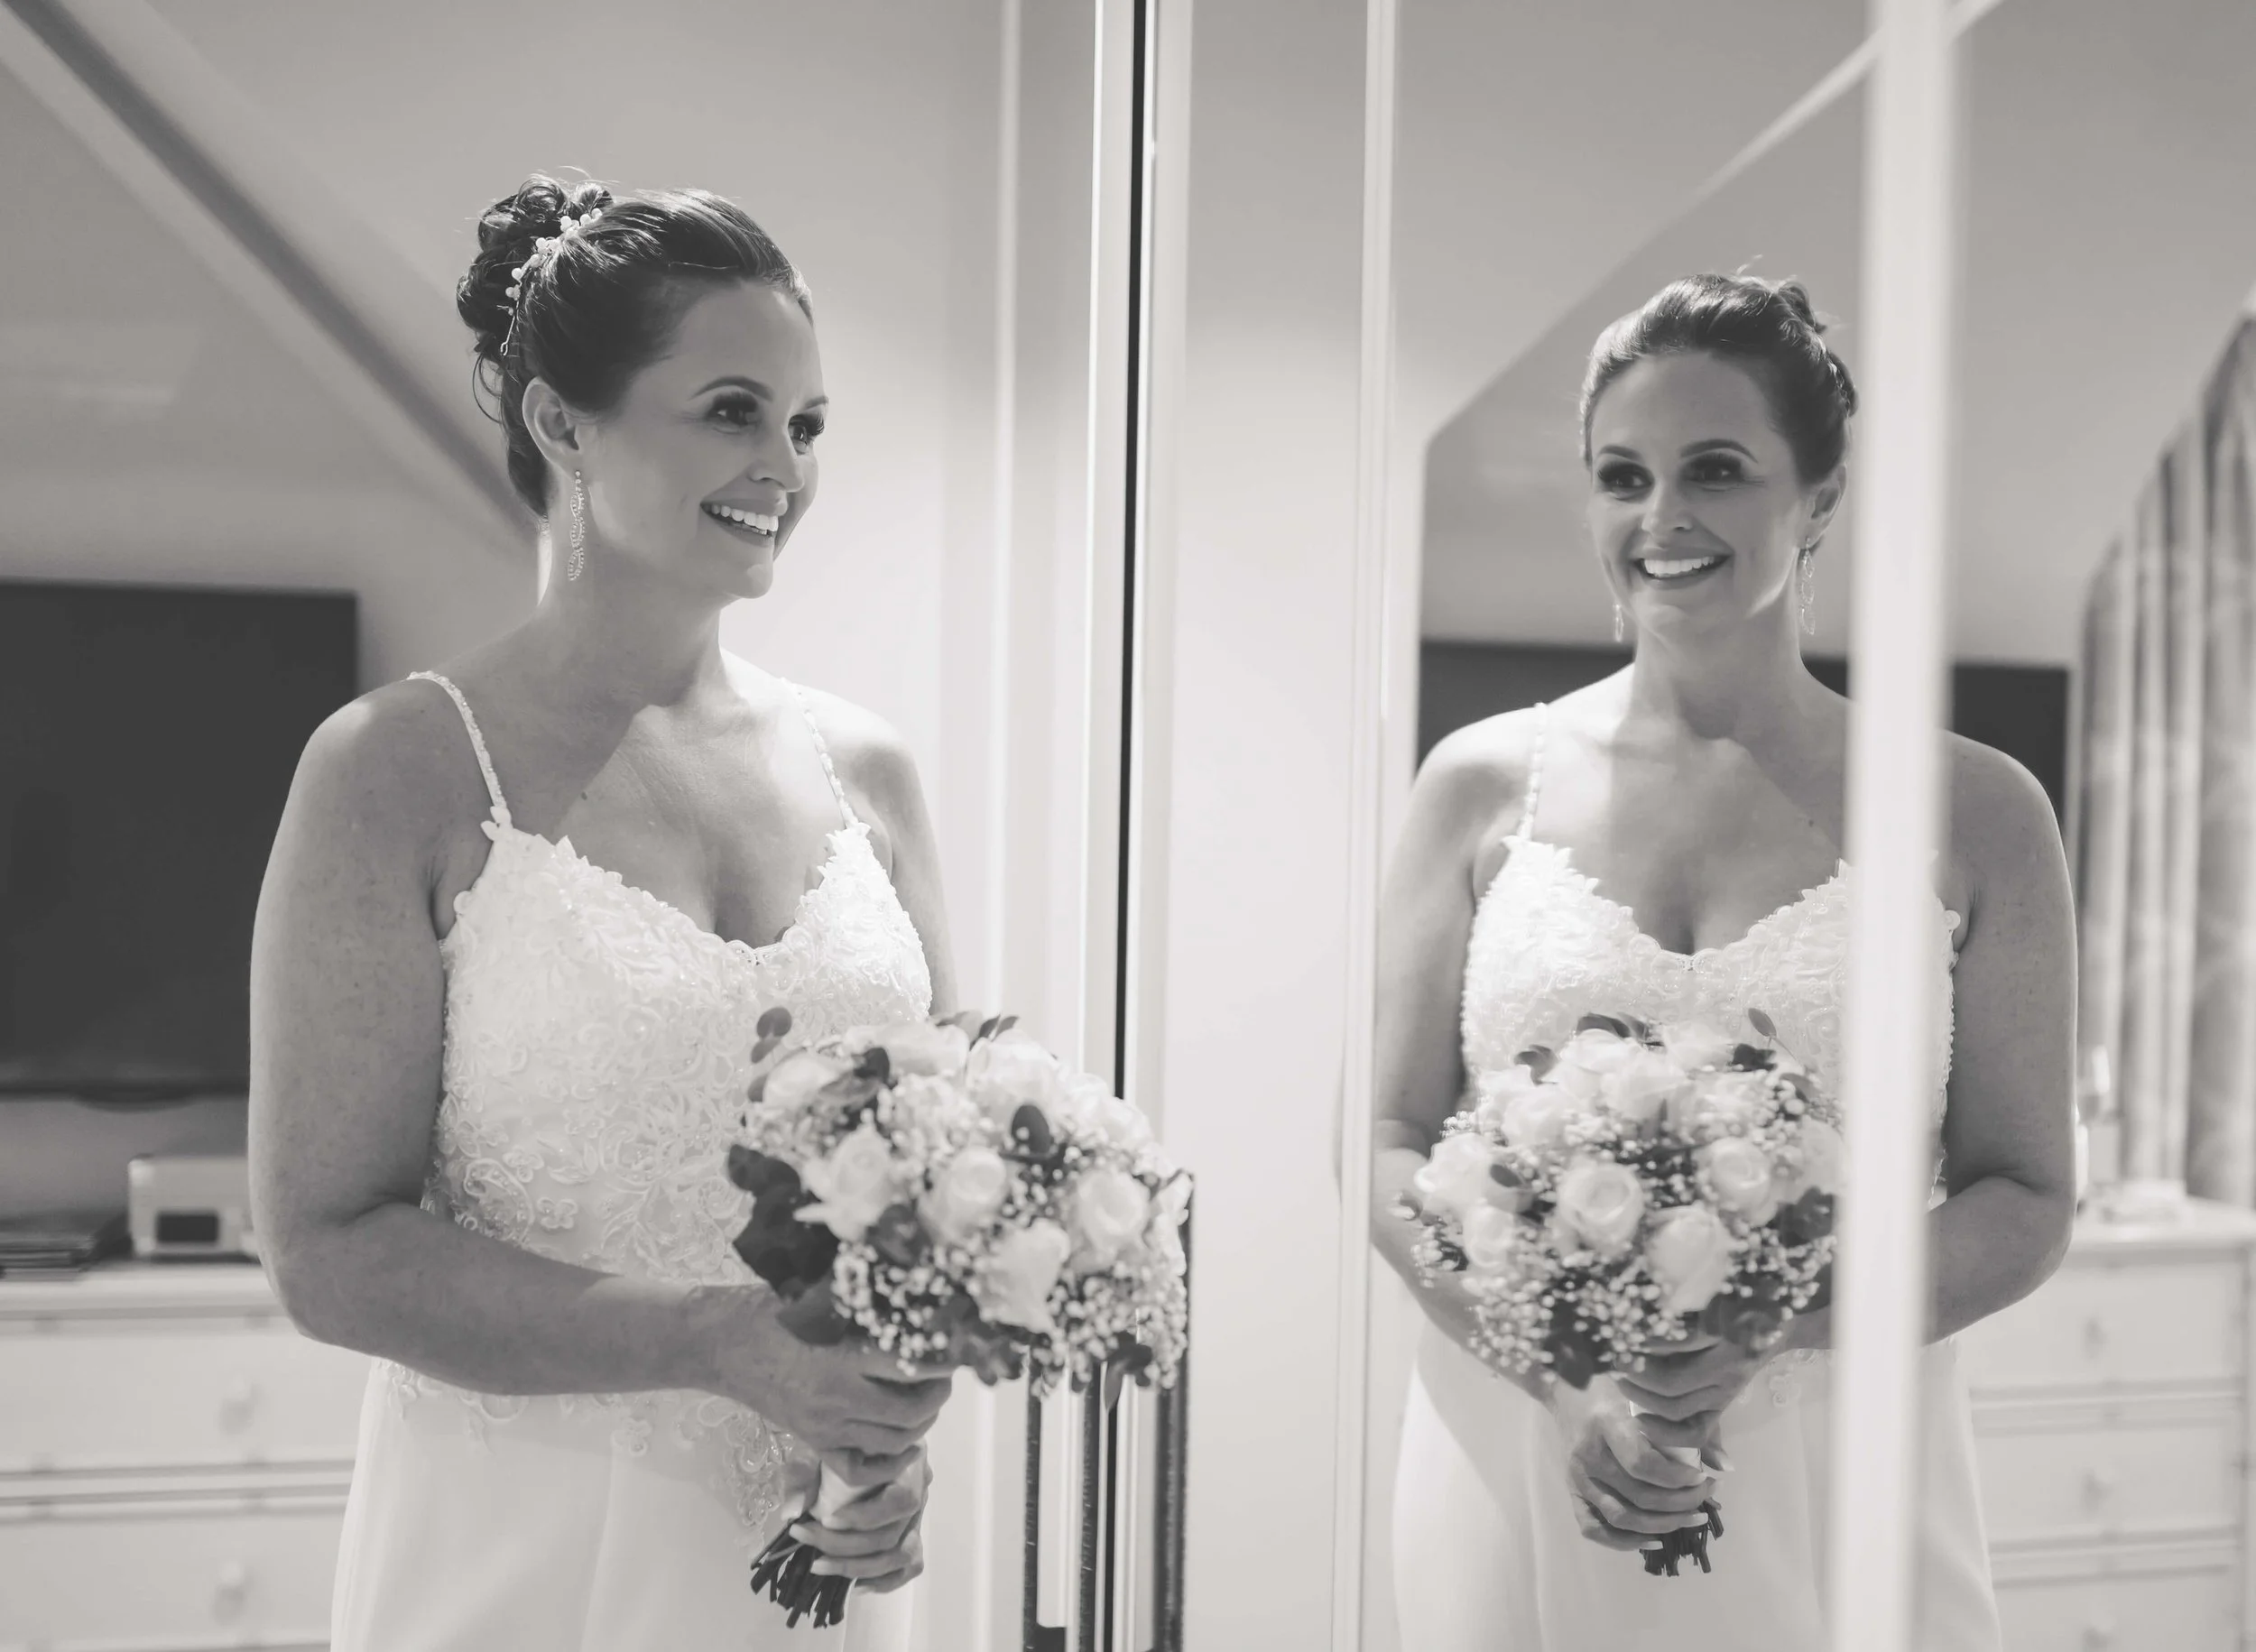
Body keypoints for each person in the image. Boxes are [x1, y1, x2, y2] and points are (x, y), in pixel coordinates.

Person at [249, 175, 957, 1649]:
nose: (785, 465)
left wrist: (884, 1438)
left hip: (804, 1559)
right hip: (528, 1558)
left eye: (809, 423)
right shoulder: (397, 768)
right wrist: (718, 1341)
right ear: (562, 423)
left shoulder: (869, 770)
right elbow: (325, 1244)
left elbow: (938, 1191)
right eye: (732, 408)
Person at [1373, 273, 2076, 1650]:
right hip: (1516, 1442)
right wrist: (1567, 1375)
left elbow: (2029, 1192)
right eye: (1620, 476)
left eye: (1717, 470)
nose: (1660, 519)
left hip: (1836, 1459)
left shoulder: (1980, 811)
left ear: (1819, 498)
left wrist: (1784, 1321)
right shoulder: (1475, 787)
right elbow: (1389, 1140)